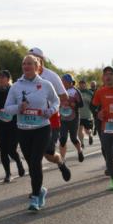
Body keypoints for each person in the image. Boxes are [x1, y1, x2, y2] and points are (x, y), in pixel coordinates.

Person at [2, 54, 60, 212]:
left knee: (35, 162)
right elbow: (7, 108)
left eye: (29, 64)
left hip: (42, 128)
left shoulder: (46, 84)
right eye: (24, 64)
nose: (26, 66)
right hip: (23, 129)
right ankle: (40, 190)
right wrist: (19, 108)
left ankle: (35, 197)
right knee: (31, 164)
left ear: (37, 66)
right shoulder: (15, 87)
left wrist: (50, 111)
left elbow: (56, 101)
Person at [29, 48, 72, 183]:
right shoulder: (26, 77)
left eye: (34, 58)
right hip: (31, 120)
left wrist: (51, 106)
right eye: (29, 58)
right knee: (34, 156)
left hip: (51, 120)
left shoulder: (51, 76)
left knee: (48, 154)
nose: (31, 61)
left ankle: (60, 162)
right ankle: (37, 188)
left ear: (41, 60)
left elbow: (64, 97)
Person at [0, 71, 25, 183]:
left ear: (8, 79)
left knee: (11, 149)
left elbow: (21, 105)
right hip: (1, 124)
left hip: (14, 123)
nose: (0, 79)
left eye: (2, 77)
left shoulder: (14, 90)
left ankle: (19, 162)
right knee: (3, 150)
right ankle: (8, 174)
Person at [59, 74, 84, 164]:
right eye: (62, 81)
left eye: (64, 81)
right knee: (62, 139)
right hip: (62, 118)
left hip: (74, 118)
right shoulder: (60, 91)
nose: (62, 83)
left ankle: (80, 151)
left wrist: (74, 105)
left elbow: (81, 104)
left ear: (70, 82)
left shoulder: (75, 92)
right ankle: (62, 159)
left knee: (73, 138)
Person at [77, 78, 94, 147]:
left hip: (87, 115)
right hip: (78, 115)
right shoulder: (77, 92)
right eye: (80, 84)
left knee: (87, 130)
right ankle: (81, 142)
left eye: (83, 84)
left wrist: (88, 100)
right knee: (79, 129)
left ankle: (90, 135)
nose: (81, 85)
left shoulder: (89, 93)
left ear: (85, 85)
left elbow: (93, 103)